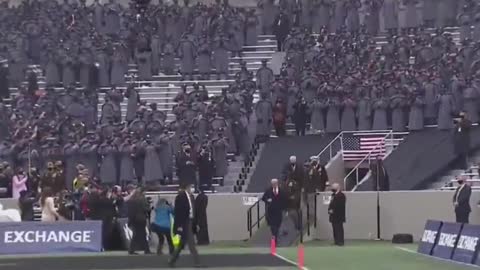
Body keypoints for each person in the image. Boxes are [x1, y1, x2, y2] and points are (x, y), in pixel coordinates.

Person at [169, 184, 202, 268]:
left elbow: (194, 211)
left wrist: (196, 223)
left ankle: (172, 261)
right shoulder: (180, 197)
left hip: (190, 221)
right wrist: (179, 225)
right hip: (184, 222)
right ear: (187, 187)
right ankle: (197, 262)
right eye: (191, 187)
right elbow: (178, 212)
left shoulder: (191, 197)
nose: (193, 189)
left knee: (181, 244)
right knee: (191, 242)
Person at [127, 187, 151, 255]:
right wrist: (149, 206)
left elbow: (130, 211)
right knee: (142, 234)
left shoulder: (131, 200)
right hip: (141, 219)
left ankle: (133, 249)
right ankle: (146, 250)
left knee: (137, 234)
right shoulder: (142, 199)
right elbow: (146, 209)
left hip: (134, 219)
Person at [261, 179, 286, 244]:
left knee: (277, 225)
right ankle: (274, 238)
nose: (274, 185)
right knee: (272, 226)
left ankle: (275, 237)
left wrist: (283, 206)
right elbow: (263, 198)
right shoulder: (268, 190)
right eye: (273, 184)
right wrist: (267, 200)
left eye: (275, 183)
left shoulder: (281, 191)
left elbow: (284, 199)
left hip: (278, 211)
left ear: (277, 183)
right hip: (271, 211)